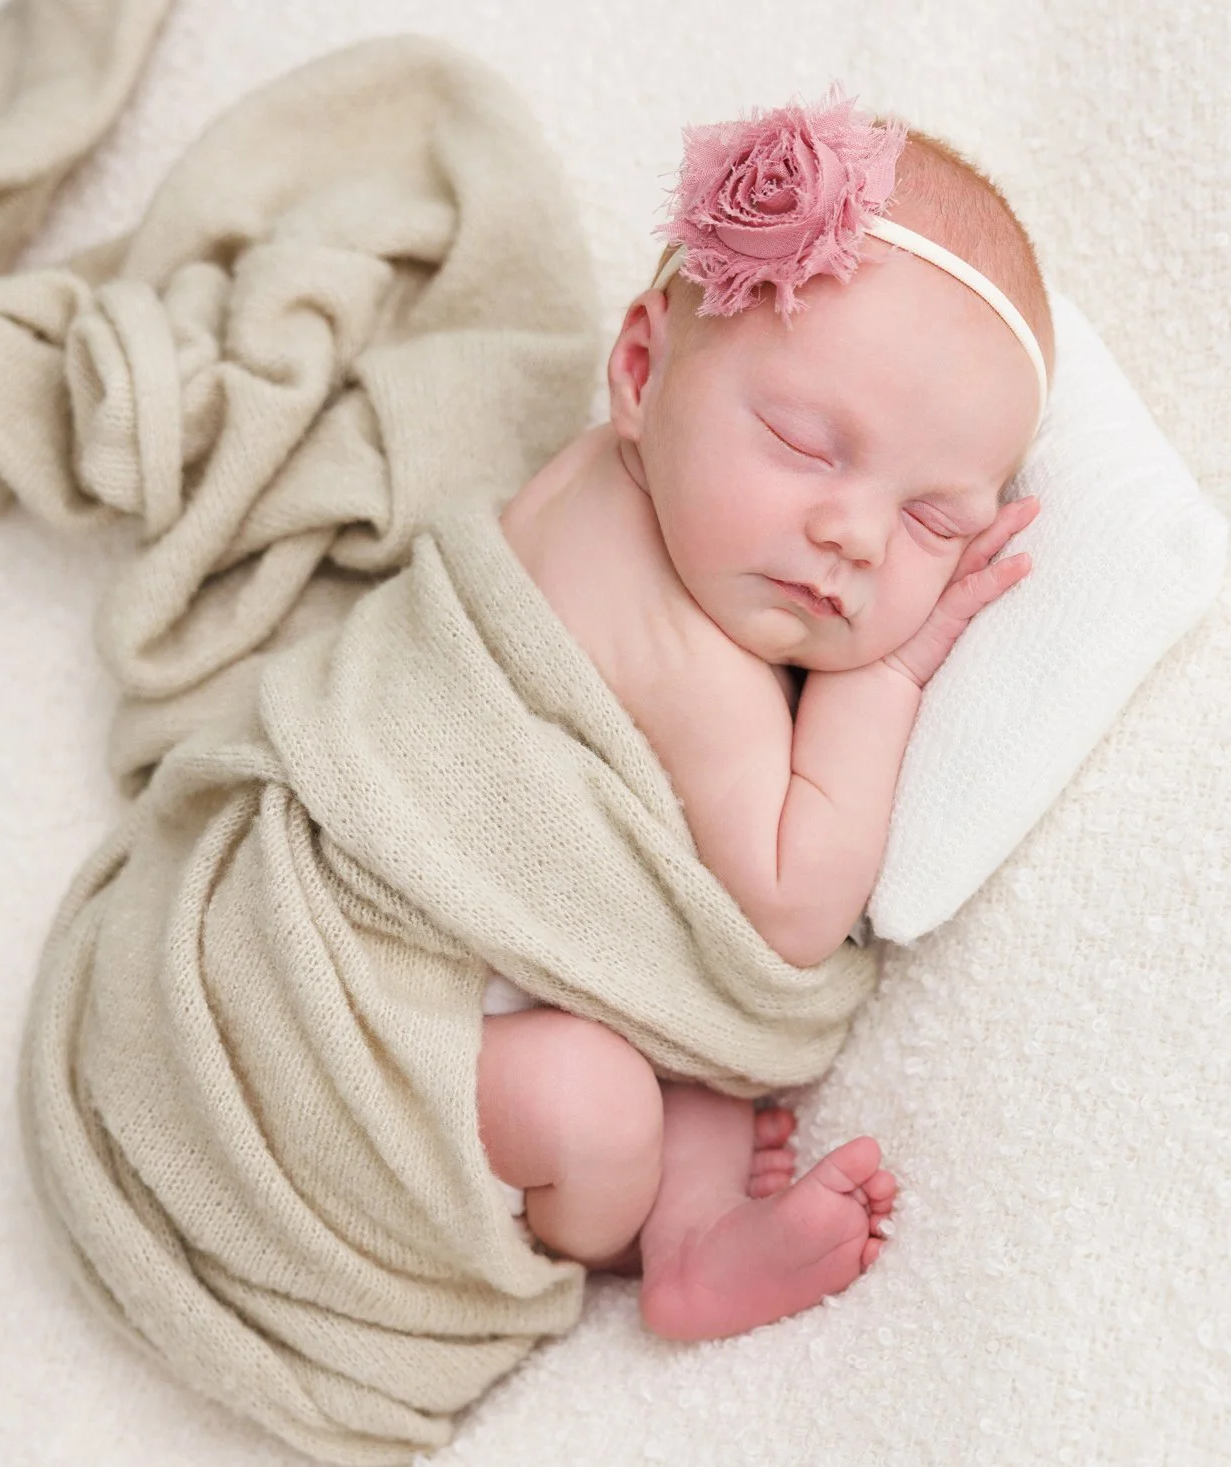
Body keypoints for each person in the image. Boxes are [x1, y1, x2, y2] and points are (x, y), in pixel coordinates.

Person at [477, 91, 1055, 1342]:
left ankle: (687, 1251)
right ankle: (645, 1226)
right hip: (404, 1023)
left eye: (932, 523)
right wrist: (881, 679)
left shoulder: (648, 500)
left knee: (683, 1029)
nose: (852, 536)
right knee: (600, 1097)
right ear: (639, 372)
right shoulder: (683, 644)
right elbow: (789, 912)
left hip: (529, 986)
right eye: (803, 443)